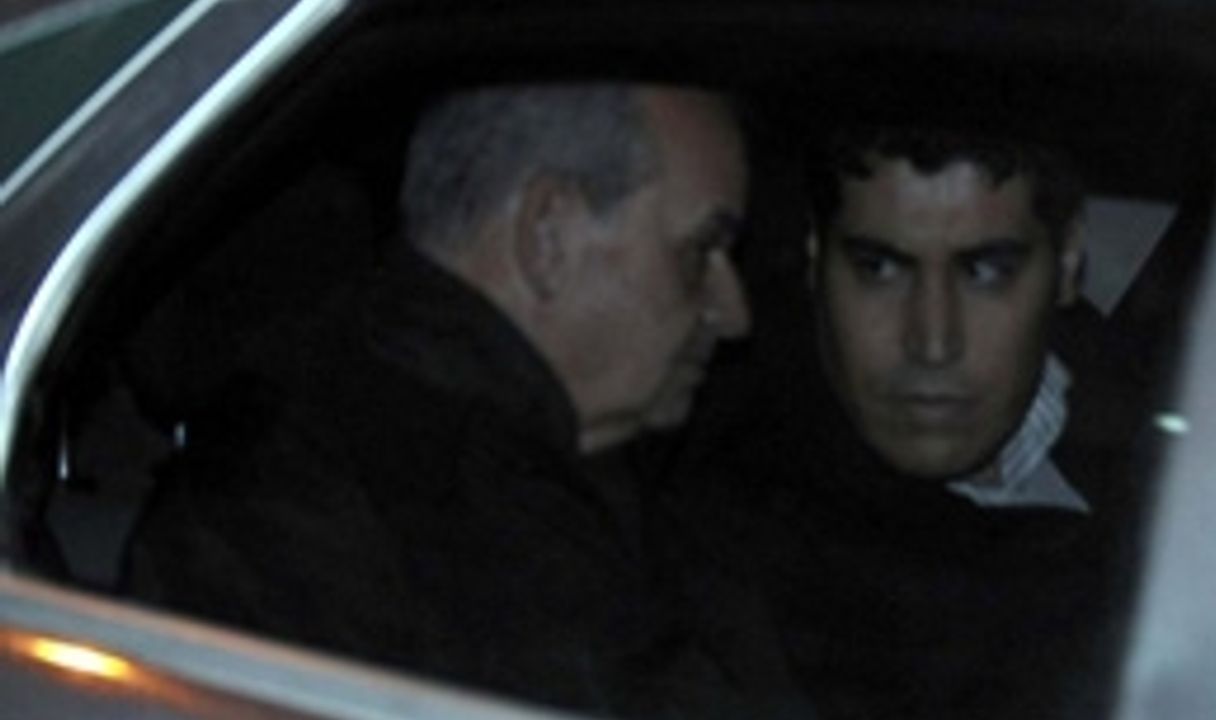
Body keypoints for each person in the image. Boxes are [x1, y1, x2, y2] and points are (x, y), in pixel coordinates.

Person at [123, 84, 805, 718]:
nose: (733, 312)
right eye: (699, 252)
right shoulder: (320, 511)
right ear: (547, 235)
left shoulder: (588, 485)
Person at [672, 127, 1149, 720]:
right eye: (878, 268)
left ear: (1069, 262)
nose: (932, 342)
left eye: (986, 271)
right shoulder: (723, 531)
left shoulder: (1188, 428)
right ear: (816, 259)